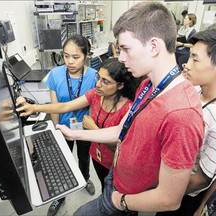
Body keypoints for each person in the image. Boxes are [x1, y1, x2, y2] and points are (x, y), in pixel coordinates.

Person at [55, 2, 204, 215]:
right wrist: (75, 133)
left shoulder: (181, 114)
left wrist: (120, 201)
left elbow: (169, 199)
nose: (121, 58)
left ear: (154, 46)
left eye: (125, 49)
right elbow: (122, 131)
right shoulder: (147, 84)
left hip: (125, 196)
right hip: (116, 176)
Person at [16, 58, 141, 192]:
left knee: (113, 193)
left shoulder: (129, 109)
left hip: (115, 163)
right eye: (98, 77)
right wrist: (34, 108)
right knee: (104, 188)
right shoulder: (96, 95)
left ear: (120, 85)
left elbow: (122, 148)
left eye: (105, 81)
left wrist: (93, 128)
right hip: (97, 156)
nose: (98, 84)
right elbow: (66, 106)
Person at [23, 34, 97, 216]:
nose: (70, 61)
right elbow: (55, 105)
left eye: (76, 57)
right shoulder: (55, 75)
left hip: (84, 129)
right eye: (66, 56)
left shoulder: (95, 77)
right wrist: (55, 128)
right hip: (62, 127)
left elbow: (95, 106)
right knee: (61, 160)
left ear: (86, 55)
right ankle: (60, 195)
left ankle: (85, 177)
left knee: (83, 157)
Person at [156, 27, 216, 216]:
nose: (187, 65)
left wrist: (164, 191)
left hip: (184, 195)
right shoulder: (194, 91)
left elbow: (202, 178)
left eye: (195, 59)